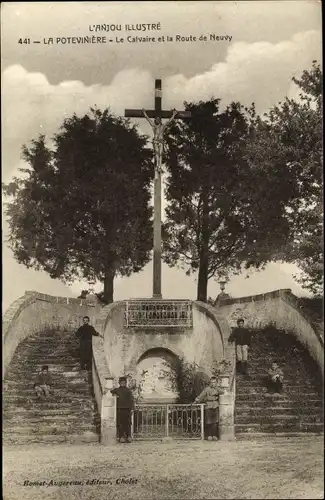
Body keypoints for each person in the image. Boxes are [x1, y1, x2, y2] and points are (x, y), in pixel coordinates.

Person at [142, 108, 178, 173]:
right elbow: (148, 119)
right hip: (155, 141)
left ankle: (159, 167)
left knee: (161, 154)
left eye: (158, 119)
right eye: (156, 119)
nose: (157, 120)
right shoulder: (154, 126)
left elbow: (169, 121)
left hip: (161, 141)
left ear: (160, 120)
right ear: (155, 120)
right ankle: (157, 166)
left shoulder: (163, 126)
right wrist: (144, 113)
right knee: (157, 153)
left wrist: (174, 115)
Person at [195, 376, 224, 441]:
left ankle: (214, 435)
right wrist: (196, 400)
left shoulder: (217, 389)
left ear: (216, 383)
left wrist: (217, 388)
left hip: (215, 406)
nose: (213, 384)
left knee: (215, 422)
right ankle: (209, 435)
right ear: (210, 383)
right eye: (211, 382)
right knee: (209, 422)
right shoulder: (207, 389)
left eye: (214, 382)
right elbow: (201, 396)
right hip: (208, 406)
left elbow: (223, 392)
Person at [111, 377, 135, 443]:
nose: (123, 384)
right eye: (121, 382)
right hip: (119, 409)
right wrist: (114, 395)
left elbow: (131, 400)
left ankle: (128, 437)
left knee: (128, 423)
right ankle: (121, 437)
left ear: (126, 383)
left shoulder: (128, 390)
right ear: (119, 383)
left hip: (127, 409)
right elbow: (110, 392)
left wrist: (132, 408)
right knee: (120, 423)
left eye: (124, 382)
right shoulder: (116, 390)